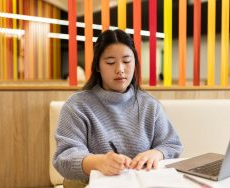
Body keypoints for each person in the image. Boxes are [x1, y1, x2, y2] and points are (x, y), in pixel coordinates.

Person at [53, 29, 182, 184]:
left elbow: (172, 144)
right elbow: (64, 158)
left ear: (135, 63)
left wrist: (157, 153)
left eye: (127, 61)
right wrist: (98, 162)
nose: (120, 69)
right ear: (98, 66)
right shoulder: (77, 106)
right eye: (110, 62)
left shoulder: (150, 105)